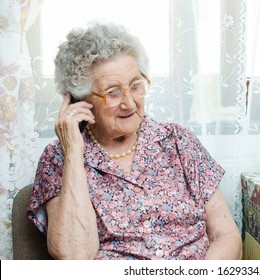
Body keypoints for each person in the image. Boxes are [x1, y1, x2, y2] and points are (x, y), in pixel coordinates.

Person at [27, 21, 242, 260]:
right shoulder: (59, 158)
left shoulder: (179, 142)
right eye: (113, 92)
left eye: (136, 86)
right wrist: (74, 154)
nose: (130, 103)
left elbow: (225, 235)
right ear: (81, 100)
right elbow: (75, 257)